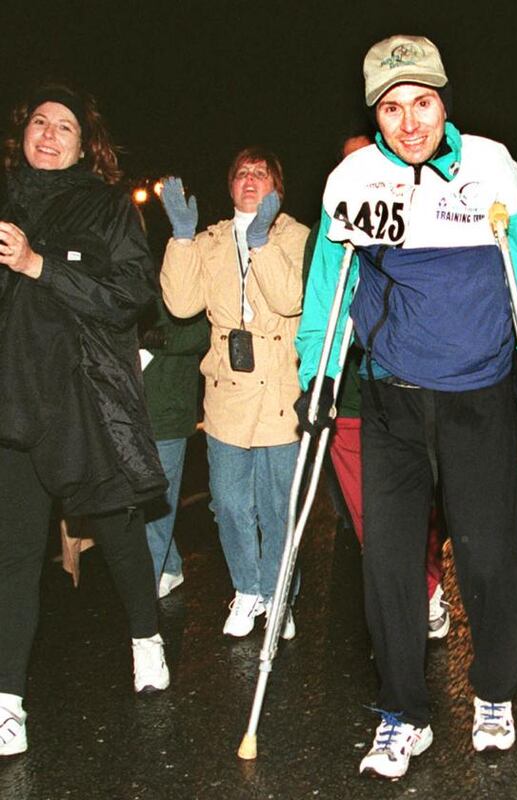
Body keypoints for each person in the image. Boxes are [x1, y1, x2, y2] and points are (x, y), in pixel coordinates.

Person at [296, 34, 517, 779]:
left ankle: (494, 692)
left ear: (443, 101)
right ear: (375, 113)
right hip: (391, 397)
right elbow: (332, 281)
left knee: (488, 555)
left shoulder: (488, 165)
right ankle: (402, 711)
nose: (409, 121)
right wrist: (314, 367)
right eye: (392, 107)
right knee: (387, 563)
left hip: (478, 393)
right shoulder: (353, 179)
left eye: (422, 102)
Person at [0, 84, 170, 756]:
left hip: (82, 402)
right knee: (13, 557)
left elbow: (132, 293)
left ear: (83, 142)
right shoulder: (6, 199)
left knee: (118, 532)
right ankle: (8, 700)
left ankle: (145, 635)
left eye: (63, 126)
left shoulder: (104, 207)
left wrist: (39, 265)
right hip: (13, 405)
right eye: (38, 122)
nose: (48, 134)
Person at [302, 132, 451, 640]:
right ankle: (408, 596)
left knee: (420, 501)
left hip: (405, 389)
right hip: (350, 396)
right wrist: (314, 378)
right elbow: (320, 305)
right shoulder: (328, 227)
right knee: (373, 515)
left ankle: (427, 584)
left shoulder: (418, 212)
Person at [159, 147, 308, 638]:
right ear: (229, 185)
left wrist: (261, 243)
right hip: (225, 391)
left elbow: (290, 299)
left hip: (280, 390)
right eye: (241, 172)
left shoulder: (296, 236)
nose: (249, 180)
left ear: (276, 186)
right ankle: (248, 590)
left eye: (260, 173)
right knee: (227, 502)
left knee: (276, 503)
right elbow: (181, 305)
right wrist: (181, 238)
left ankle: (279, 592)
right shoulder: (210, 240)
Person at [140, 299, 209, 598]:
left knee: (157, 499)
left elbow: (203, 333)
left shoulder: (180, 278)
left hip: (167, 413)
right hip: (132, 410)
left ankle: (149, 578)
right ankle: (169, 566)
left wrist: (158, 339)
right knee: (143, 501)